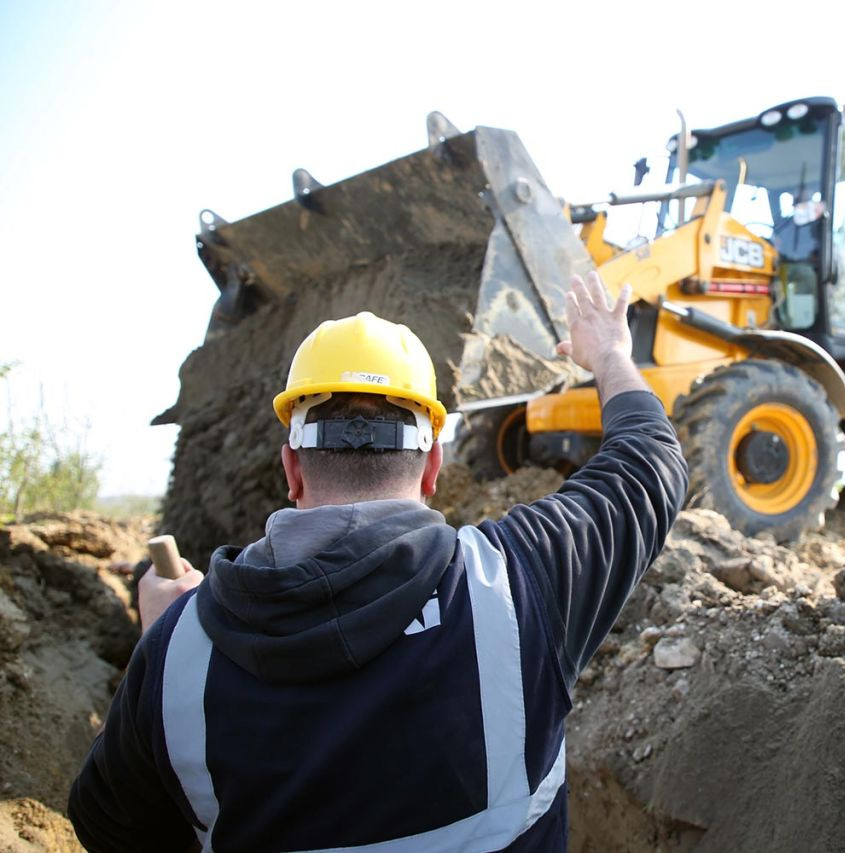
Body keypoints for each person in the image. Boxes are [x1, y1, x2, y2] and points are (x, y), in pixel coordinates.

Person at [68, 272, 688, 852]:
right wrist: (608, 353)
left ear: (290, 469)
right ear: (434, 471)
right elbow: (650, 463)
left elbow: (110, 828)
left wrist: (162, 638)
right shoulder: (523, 580)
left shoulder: (178, 652)